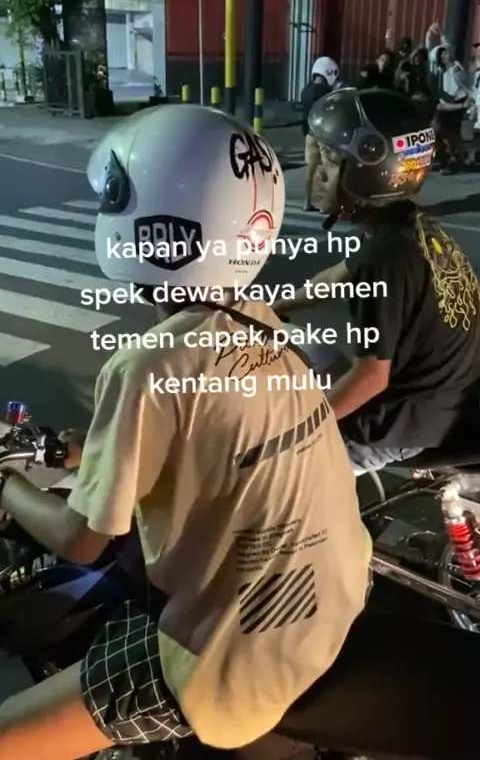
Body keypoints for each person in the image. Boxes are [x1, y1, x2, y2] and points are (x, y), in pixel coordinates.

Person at [0, 105, 372, 759]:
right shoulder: (262, 326)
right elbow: (202, 445)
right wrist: (81, 449)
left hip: (233, 654)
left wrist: (7, 483)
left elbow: (81, 539)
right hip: (331, 602)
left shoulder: (148, 366)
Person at [273, 88, 480, 475]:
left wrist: (294, 432)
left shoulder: (383, 262)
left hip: (400, 425)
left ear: (367, 171)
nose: (318, 172)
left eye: (329, 160)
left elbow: (370, 378)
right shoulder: (415, 229)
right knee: (299, 344)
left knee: (276, 469)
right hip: (442, 400)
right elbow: (333, 278)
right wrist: (273, 307)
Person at [301, 56, 340, 211]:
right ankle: (326, 204)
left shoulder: (305, 90)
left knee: (310, 169)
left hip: (309, 134)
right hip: (323, 135)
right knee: (331, 168)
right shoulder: (327, 93)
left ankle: (306, 202)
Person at [429, 44, 472, 173]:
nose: (444, 56)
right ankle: (447, 158)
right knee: (436, 128)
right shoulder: (442, 73)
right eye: (441, 55)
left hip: (461, 101)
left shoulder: (455, 69)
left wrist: (465, 103)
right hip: (449, 103)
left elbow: (465, 86)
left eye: (445, 53)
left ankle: (453, 159)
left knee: (447, 129)